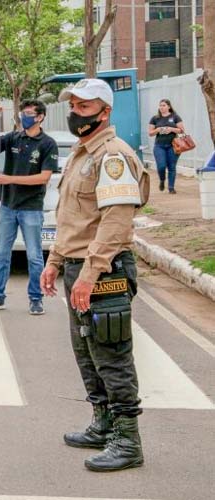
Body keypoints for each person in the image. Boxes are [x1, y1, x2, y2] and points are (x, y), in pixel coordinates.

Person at [41, 78, 149, 472]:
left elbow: (115, 223)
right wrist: (55, 261)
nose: (75, 113)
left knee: (112, 355)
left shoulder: (113, 156)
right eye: (73, 106)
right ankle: (102, 424)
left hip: (104, 272)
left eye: (84, 107)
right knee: (87, 352)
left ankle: (127, 440)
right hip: (77, 267)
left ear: (105, 112)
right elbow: (72, 218)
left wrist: (89, 273)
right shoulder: (81, 155)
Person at [0, 100, 59, 315]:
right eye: (22, 113)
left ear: (40, 116)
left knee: (34, 256)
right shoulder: (14, 138)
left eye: (29, 113)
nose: (24, 117)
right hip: (8, 206)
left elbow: (43, 178)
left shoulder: (47, 144)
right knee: (1, 255)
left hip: (31, 208)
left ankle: (36, 298)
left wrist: (9, 179)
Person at [147, 99, 185, 193]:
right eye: (160, 105)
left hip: (173, 145)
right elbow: (150, 133)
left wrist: (171, 129)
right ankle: (162, 180)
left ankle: (171, 188)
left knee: (172, 167)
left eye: (164, 105)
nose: (161, 107)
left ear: (169, 106)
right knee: (161, 166)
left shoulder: (175, 117)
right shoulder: (155, 118)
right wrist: (158, 130)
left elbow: (182, 130)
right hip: (159, 146)